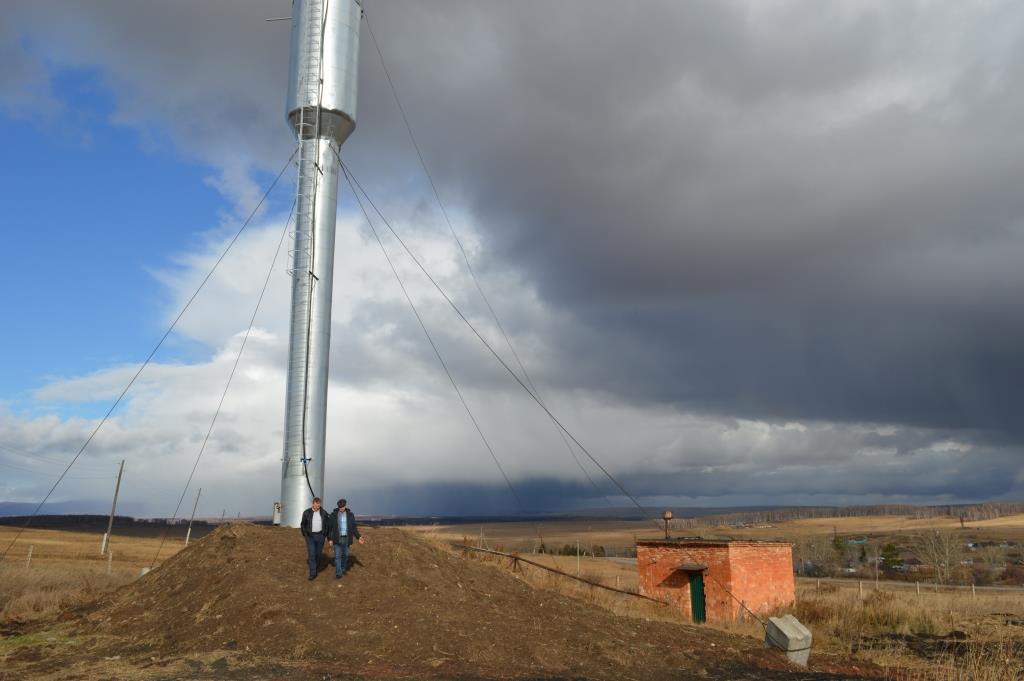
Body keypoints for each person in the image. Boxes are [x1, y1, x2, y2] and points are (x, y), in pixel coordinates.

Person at [327, 498, 364, 579]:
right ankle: (338, 573)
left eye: (343, 507)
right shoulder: (333, 515)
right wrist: (330, 539)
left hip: (346, 539)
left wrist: (359, 537)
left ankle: (343, 568)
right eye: (340, 507)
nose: (341, 508)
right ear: (338, 506)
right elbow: (330, 528)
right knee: (337, 556)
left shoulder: (350, 515)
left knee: (345, 555)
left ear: (345, 506)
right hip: (337, 539)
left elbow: (354, 528)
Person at [300, 497, 330, 580]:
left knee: (318, 554)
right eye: (316, 504)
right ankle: (313, 573)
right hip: (310, 537)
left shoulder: (324, 513)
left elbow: (327, 525)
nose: (317, 506)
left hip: (320, 536)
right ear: (312, 504)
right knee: (312, 554)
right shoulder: (306, 513)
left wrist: (326, 535)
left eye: (319, 504)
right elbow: (303, 524)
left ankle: (316, 567)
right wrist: (305, 535)